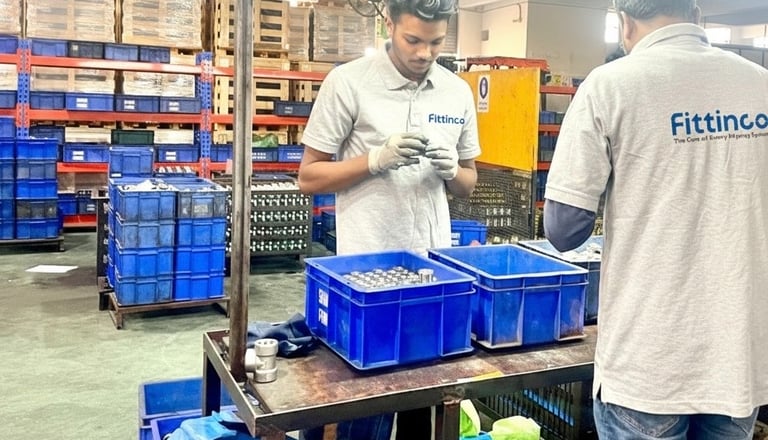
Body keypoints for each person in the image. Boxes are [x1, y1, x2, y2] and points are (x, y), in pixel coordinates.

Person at [543, 0, 768, 438]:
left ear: (624, 23)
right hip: (737, 361)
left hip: (648, 367)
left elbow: (564, 229)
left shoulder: (610, 86)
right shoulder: (761, 86)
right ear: (697, 14)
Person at [297, 0, 481, 436]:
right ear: (389, 24)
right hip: (366, 276)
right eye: (412, 39)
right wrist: (375, 159)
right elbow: (309, 176)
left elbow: (469, 182)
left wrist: (453, 169)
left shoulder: (456, 91)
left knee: (426, 398)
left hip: (433, 274)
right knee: (368, 402)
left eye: (436, 42)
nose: (423, 53)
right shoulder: (348, 83)